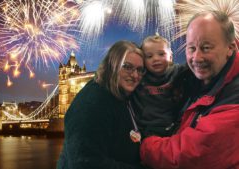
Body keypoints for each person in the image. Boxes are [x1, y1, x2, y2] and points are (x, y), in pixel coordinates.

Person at [139, 10, 239, 169]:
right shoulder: (198, 80)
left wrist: (143, 146)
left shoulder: (234, 99)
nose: (197, 58)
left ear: (231, 47)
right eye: (191, 48)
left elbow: (189, 155)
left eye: (206, 48)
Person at [57, 40, 147, 169]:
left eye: (140, 70)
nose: (135, 75)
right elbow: (84, 163)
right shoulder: (91, 102)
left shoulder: (121, 96)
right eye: (127, 66)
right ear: (112, 65)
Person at [133, 34, 192, 137]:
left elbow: (193, 65)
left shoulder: (177, 72)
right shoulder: (139, 77)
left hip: (172, 127)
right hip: (145, 129)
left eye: (161, 54)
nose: (156, 59)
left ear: (170, 56)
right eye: (149, 56)